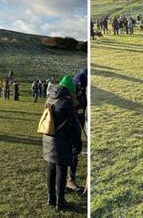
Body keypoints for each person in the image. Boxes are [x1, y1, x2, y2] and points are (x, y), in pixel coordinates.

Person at [42, 77, 82, 210]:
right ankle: (61, 201)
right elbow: (74, 126)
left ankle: (51, 198)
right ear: (70, 91)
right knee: (61, 170)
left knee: (51, 168)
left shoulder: (50, 98)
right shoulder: (67, 102)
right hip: (61, 140)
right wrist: (77, 144)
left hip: (48, 138)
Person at [66, 70, 88, 192]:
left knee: (75, 153)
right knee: (68, 153)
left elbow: (82, 111)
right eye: (78, 87)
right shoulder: (69, 95)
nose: (80, 90)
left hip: (77, 128)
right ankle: (69, 180)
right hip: (69, 129)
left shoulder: (83, 94)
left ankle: (71, 178)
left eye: (82, 87)